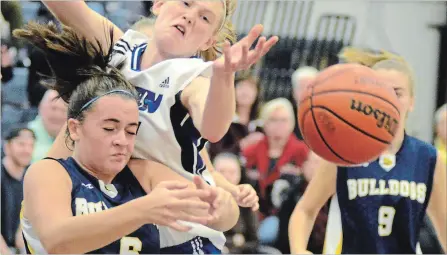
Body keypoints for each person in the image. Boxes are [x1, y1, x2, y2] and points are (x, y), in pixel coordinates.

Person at [40, 0, 277, 252]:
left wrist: (224, 77)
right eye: (186, 3)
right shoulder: (121, 47)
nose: (190, 16)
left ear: (208, 41)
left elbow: (213, 129)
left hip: (180, 233)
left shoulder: (192, 77)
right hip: (124, 212)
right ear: (159, 4)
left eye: (205, 18)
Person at [14, 22, 214, 254]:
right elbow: (59, 242)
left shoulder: (145, 172)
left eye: (131, 131)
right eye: (110, 128)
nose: (121, 140)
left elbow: (215, 212)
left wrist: (225, 200)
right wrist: (143, 210)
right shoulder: (52, 172)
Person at [288, 48, 447, 254]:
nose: (390, 100)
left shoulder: (428, 158)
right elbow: (305, 210)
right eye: (383, 92)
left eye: (397, 92)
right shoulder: (343, 154)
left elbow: (444, 224)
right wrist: (298, 249)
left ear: (412, 102)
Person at [1, 127, 35, 254]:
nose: (27, 150)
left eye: (31, 145)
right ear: (7, 147)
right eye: (21, 144)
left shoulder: (31, 176)